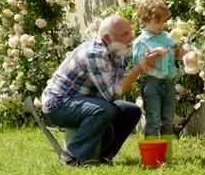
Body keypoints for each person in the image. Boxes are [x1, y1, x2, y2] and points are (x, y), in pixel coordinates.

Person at [41, 15, 161, 166]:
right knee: (104, 110)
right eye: (125, 34)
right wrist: (139, 68)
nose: (131, 37)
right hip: (59, 104)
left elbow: (138, 51)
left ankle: (103, 157)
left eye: (130, 32)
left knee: (131, 111)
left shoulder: (117, 47)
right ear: (106, 38)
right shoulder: (95, 53)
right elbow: (113, 93)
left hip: (83, 101)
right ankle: (73, 159)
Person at [131, 0, 182, 159]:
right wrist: (152, 55)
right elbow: (139, 63)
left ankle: (167, 156)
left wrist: (179, 49)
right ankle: (152, 157)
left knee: (167, 119)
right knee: (153, 119)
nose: (160, 26)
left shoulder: (167, 37)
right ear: (144, 20)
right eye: (156, 22)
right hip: (151, 82)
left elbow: (176, 56)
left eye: (163, 22)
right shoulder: (141, 41)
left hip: (168, 82)